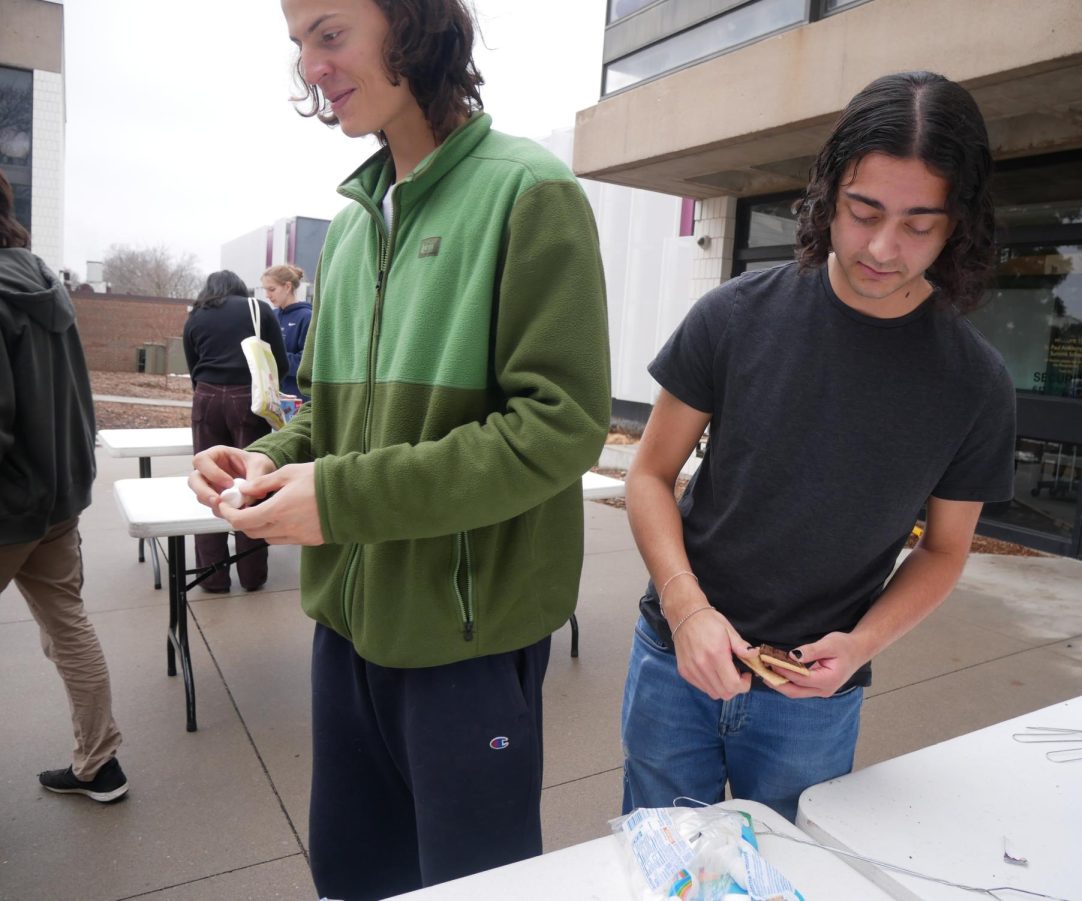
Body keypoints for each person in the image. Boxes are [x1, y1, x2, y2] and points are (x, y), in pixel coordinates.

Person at [187, 1, 610, 897]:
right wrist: (271, 455)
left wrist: (339, 497)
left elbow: (560, 426)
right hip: (346, 625)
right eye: (299, 44)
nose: (310, 66)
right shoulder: (351, 221)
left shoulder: (530, 192)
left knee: (471, 884)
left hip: (468, 638)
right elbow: (329, 417)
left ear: (412, 25)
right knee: (353, 876)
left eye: (329, 34)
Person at [621, 71, 1016, 823]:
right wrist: (686, 607)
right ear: (829, 191)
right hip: (678, 658)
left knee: (797, 870)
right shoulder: (733, 315)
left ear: (958, 223)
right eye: (864, 210)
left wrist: (863, 643)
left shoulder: (975, 383)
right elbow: (650, 471)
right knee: (658, 863)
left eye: (919, 224)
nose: (881, 246)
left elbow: (943, 549)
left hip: (813, 698)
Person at [0, 171, 128, 803]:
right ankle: (99, 763)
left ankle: (99, 761)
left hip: (11, 503)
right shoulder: (46, 282)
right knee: (69, 624)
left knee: (68, 626)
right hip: (59, 494)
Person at [182, 270, 288, 593]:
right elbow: (279, 364)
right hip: (248, 400)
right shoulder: (258, 310)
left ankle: (212, 577)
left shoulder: (196, 315)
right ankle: (252, 574)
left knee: (211, 481)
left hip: (207, 398)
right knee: (251, 483)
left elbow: (193, 367)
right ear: (241, 288)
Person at [261, 263, 311, 402]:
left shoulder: (307, 317)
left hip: (296, 398)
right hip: (272, 397)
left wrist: (273, 356)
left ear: (288, 287)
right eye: (266, 290)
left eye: (272, 289)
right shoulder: (271, 315)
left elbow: (306, 363)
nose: (267, 295)